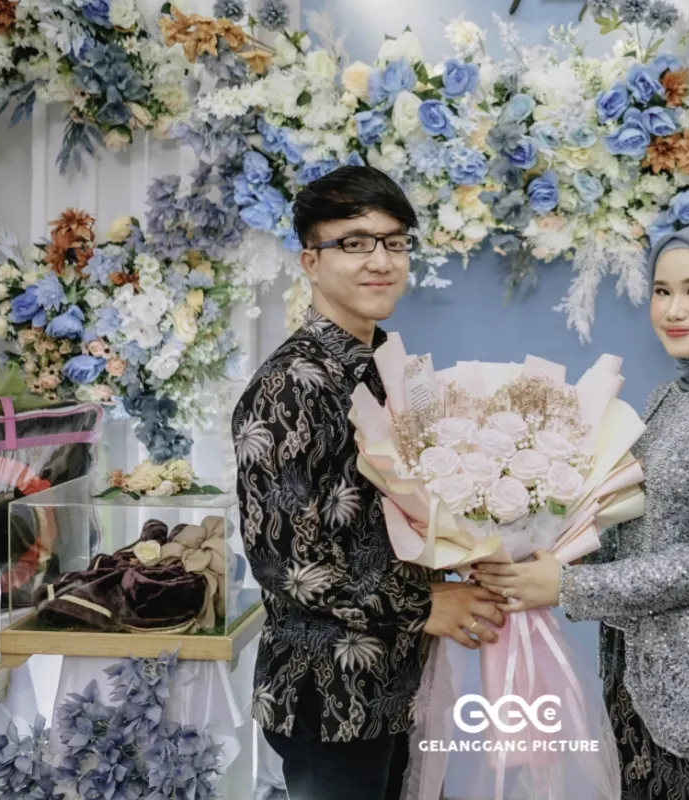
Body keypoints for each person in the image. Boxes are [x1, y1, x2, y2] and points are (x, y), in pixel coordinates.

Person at [472, 225, 689, 799]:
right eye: (662, 291)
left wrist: (568, 585)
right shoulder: (670, 397)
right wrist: (539, 549)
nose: (673, 310)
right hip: (635, 665)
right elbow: (636, 527)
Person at [231, 165, 506, 800]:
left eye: (395, 242)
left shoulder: (385, 367)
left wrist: (472, 550)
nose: (381, 260)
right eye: (355, 243)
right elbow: (286, 562)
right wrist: (425, 605)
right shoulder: (291, 384)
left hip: (396, 679)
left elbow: (386, 520)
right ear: (311, 260)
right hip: (330, 691)